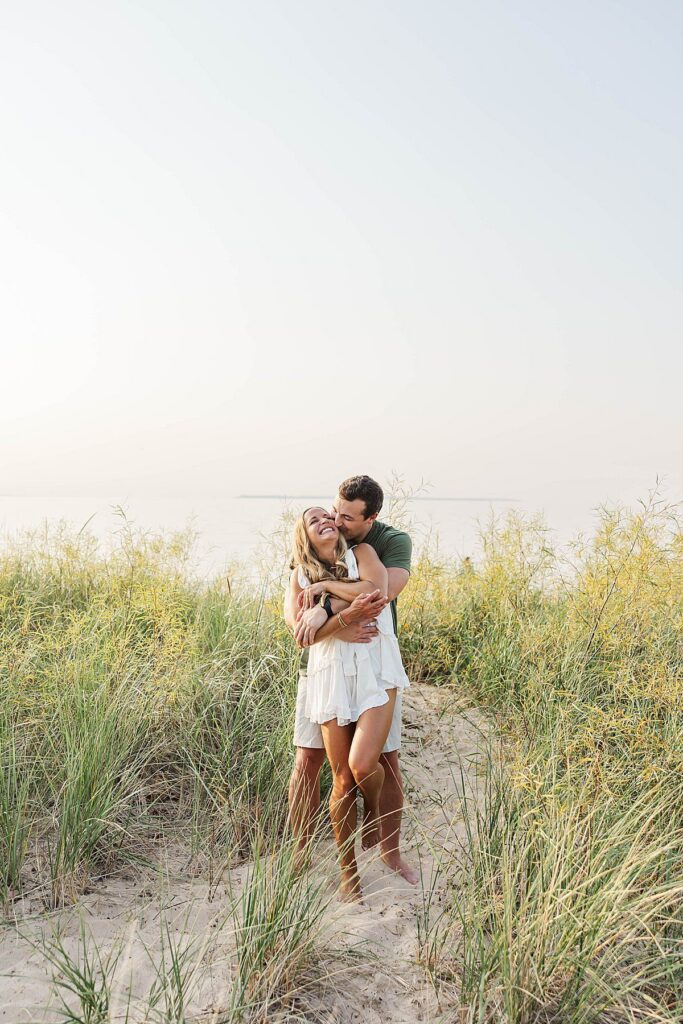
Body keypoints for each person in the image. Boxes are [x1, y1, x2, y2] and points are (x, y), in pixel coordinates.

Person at [284, 475, 417, 885]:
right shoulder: (299, 569)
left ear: (369, 517)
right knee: (310, 762)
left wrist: (324, 600)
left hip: (373, 665)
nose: (334, 521)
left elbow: (378, 593)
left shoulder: (380, 545)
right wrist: (339, 620)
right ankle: (302, 853)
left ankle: (388, 849)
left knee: (380, 762)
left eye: (342, 517)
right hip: (324, 673)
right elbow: (298, 629)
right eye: (326, 514)